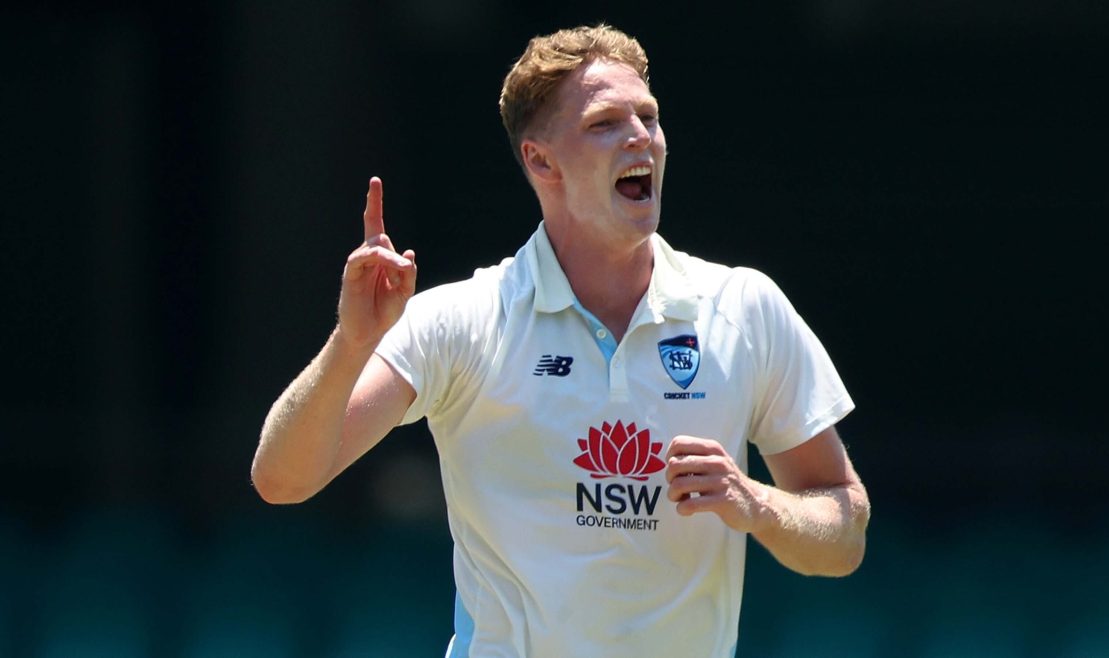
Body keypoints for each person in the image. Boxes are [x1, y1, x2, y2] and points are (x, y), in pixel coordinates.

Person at [252, 24, 870, 658]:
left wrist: (757, 503)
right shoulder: (465, 320)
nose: (640, 137)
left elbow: (844, 533)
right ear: (540, 161)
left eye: (649, 117)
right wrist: (352, 343)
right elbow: (282, 479)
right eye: (605, 123)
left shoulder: (745, 308)